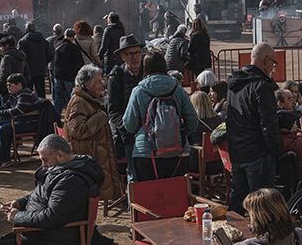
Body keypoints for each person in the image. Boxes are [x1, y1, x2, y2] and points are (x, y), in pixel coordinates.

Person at [122, 51, 200, 181]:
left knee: (151, 196)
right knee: (175, 195)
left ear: (145, 67)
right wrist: (180, 133)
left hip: (146, 154)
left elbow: (129, 125)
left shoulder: (139, 91)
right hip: (178, 152)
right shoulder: (177, 89)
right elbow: (193, 119)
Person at [226, 43, 282, 214]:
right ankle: (261, 239)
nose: (273, 67)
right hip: (257, 154)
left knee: (238, 201)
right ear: (266, 60)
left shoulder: (235, 85)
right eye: (273, 63)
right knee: (261, 206)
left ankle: (231, 235)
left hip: (237, 151)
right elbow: (268, 124)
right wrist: (276, 150)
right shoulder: (261, 87)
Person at [63, 65, 124, 209]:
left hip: (95, 154)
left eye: (101, 80)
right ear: (87, 84)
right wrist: (101, 117)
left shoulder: (90, 100)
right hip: (88, 156)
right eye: (97, 81)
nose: (102, 84)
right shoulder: (79, 101)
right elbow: (77, 130)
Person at [106, 35, 144, 163]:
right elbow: (112, 110)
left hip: (150, 132)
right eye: (130, 54)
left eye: (137, 52)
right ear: (122, 57)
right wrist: (126, 128)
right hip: (128, 135)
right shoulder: (116, 76)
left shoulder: (148, 71)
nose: (135, 57)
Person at [50, 28, 85, 115]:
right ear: (73, 37)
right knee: (70, 96)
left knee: (58, 97)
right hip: (69, 76)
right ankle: (69, 115)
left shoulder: (57, 46)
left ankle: (56, 116)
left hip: (58, 75)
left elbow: (53, 61)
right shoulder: (74, 48)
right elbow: (80, 63)